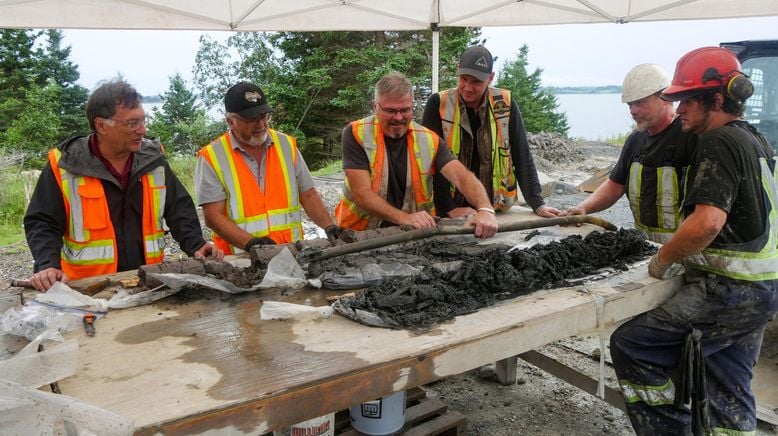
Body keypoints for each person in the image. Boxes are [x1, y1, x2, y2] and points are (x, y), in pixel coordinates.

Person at [610, 47, 778, 435]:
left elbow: (707, 223)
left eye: (687, 99)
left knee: (632, 346)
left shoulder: (716, 142)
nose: (680, 108)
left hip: (728, 290)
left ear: (716, 100)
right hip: (761, 291)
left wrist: (662, 260)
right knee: (727, 384)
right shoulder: (754, 139)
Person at [24, 80, 223, 292]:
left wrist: (196, 244)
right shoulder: (65, 164)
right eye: (132, 123)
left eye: (143, 121)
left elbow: (178, 208)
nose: (142, 130)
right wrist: (47, 265)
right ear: (101, 125)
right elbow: (42, 221)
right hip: (87, 290)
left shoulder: (153, 160)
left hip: (148, 282)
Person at [335, 72, 498, 238]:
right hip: (359, 235)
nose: (398, 118)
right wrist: (404, 218)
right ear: (374, 106)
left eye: (405, 110)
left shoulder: (429, 139)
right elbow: (361, 193)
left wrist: (485, 208)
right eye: (391, 111)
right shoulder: (356, 133)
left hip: (413, 235)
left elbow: (461, 175)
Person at [195, 82, 339, 255]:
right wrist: (251, 243)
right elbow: (213, 217)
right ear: (230, 121)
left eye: (264, 116)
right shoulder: (212, 157)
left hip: (292, 252)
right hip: (241, 260)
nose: (261, 125)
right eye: (251, 119)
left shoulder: (286, 145)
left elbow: (308, 194)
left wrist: (329, 226)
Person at [561, 64, 697, 243]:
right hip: (646, 245)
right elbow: (615, 185)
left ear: (665, 98)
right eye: (630, 104)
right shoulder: (636, 139)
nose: (633, 111)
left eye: (640, 103)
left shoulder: (690, 136)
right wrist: (584, 207)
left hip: (683, 248)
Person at [421, 45, 559, 219]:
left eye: (476, 81)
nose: (468, 87)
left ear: (491, 78)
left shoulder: (505, 103)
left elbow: (521, 154)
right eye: (463, 79)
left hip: (496, 207)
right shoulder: (438, 104)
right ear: (457, 72)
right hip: (454, 209)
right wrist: (448, 208)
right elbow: (431, 162)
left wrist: (537, 203)